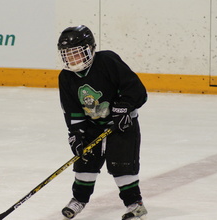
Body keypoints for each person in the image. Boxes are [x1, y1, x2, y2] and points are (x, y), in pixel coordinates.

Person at [57, 25, 148, 220]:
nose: (71, 59)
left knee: (122, 166)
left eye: (76, 54)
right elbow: (72, 109)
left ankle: (135, 205)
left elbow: (136, 90)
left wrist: (124, 107)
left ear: (89, 49)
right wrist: (76, 133)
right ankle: (79, 200)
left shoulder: (107, 61)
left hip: (121, 124)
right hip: (92, 125)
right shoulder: (66, 77)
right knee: (84, 162)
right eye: (67, 55)